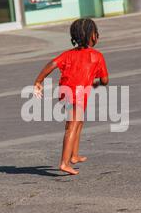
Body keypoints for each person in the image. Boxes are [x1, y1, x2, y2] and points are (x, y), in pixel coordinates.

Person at [33, 18, 109, 176]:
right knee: (72, 126)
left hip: (66, 94)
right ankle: (64, 163)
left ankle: (74, 155)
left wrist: (39, 81)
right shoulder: (97, 56)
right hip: (77, 96)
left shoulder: (68, 54)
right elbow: (105, 80)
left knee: (78, 123)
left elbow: (52, 64)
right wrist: (97, 84)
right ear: (93, 36)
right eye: (96, 33)